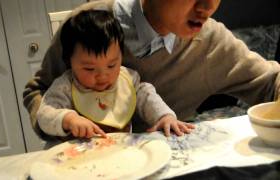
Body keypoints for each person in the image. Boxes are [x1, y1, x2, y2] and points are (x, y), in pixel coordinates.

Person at [23, 0, 280, 139]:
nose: (207, 6)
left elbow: (271, 81)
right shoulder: (87, 25)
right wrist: (64, 124)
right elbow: (38, 90)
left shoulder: (211, 41)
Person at [37, 9, 194, 139]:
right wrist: (69, 119)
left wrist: (164, 116)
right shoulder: (66, 86)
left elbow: (146, 96)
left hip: (120, 154)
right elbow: (45, 113)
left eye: (112, 65)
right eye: (89, 69)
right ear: (68, 61)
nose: (102, 76)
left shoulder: (127, 79)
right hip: (79, 158)